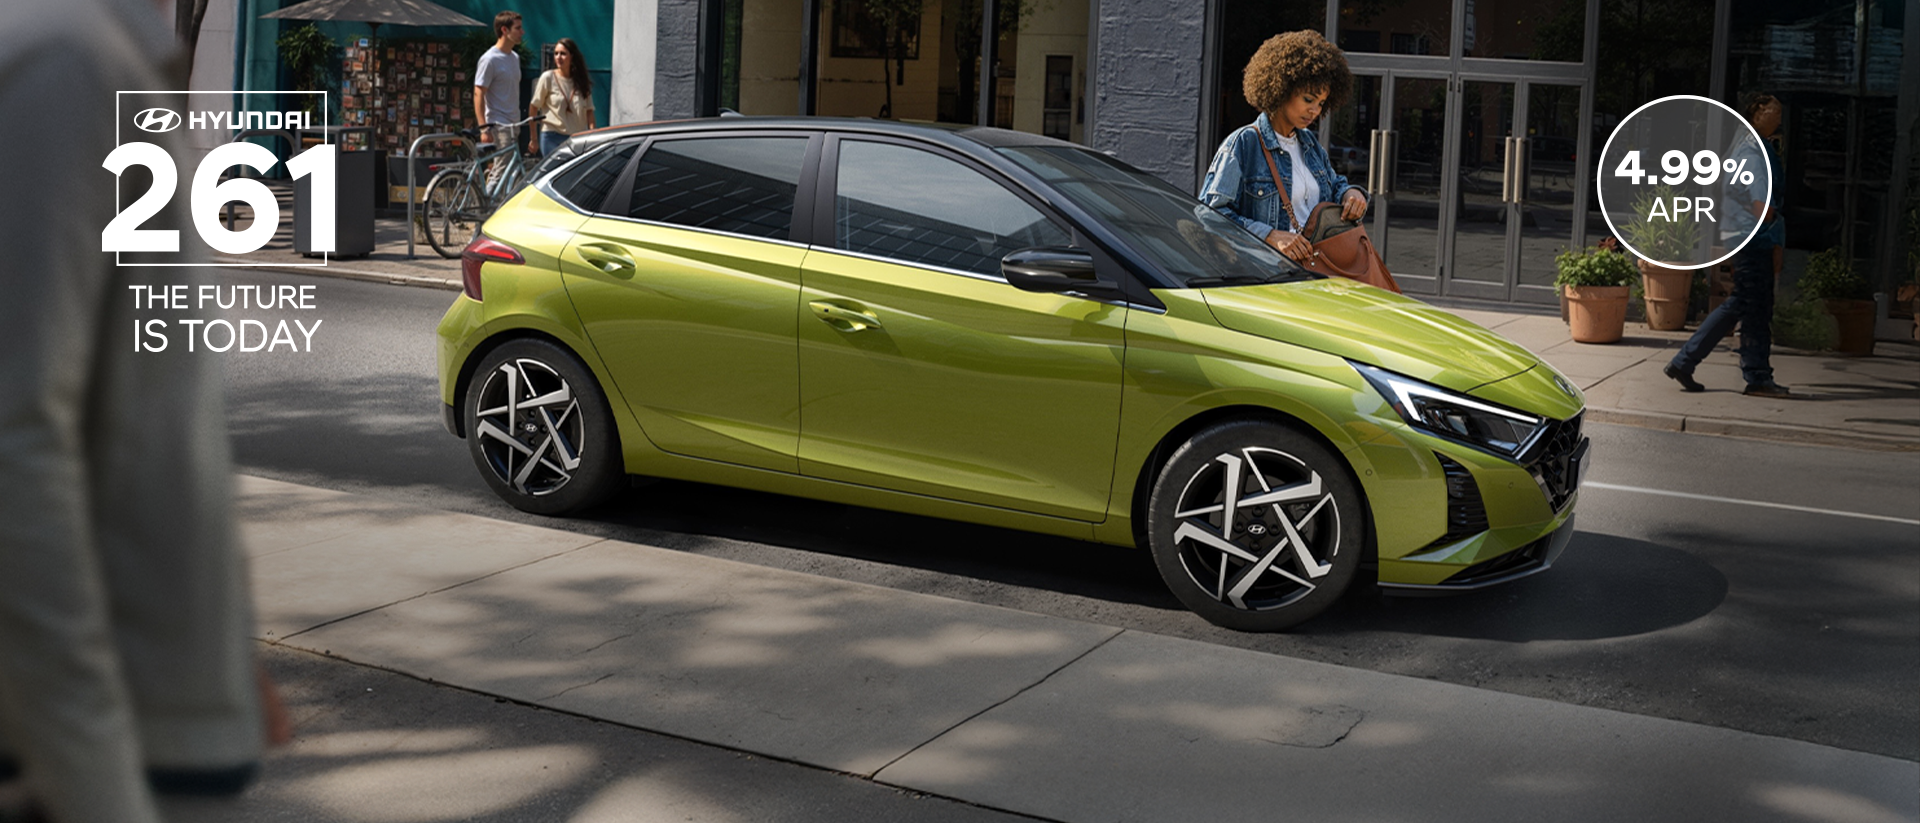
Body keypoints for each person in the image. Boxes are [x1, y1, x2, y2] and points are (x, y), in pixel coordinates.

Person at [0, 0, 286, 820]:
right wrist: (95, 784)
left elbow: (150, 425)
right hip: (109, 751)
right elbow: (18, 441)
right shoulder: (67, 60)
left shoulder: (118, 63)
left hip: (164, 717)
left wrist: (226, 651)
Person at [1200, 30, 1368, 264]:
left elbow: (1334, 184)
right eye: (1308, 100)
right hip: (1265, 275)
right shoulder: (1244, 144)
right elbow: (1210, 216)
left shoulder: (1309, 144)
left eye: (1321, 103)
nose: (1316, 111)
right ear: (1281, 88)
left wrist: (1351, 193)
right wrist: (1269, 235)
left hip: (1312, 271)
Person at [1664, 91, 1789, 398]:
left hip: (1747, 237)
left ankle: (1687, 362)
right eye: (1774, 112)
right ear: (1756, 113)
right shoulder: (1752, 152)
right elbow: (1762, 202)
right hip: (1753, 239)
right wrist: (1771, 230)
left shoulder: (1751, 147)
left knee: (1744, 304)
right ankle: (1756, 377)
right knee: (1754, 308)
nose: (1779, 119)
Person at [473, 10, 525, 182]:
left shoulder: (514, 58)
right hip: (499, 123)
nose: (522, 32)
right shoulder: (489, 59)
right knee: (501, 173)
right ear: (504, 30)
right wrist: (484, 128)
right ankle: (490, 209)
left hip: (514, 124)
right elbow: (479, 92)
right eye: (517, 28)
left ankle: (494, 203)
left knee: (508, 173)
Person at [530, 37, 594, 158]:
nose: (558, 57)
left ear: (572, 56)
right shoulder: (548, 77)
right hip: (552, 136)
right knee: (555, 174)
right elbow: (533, 107)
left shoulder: (582, 81)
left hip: (577, 138)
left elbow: (589, 112)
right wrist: (533, 138)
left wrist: (592, 135)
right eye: (556, 53)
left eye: (563, 54)